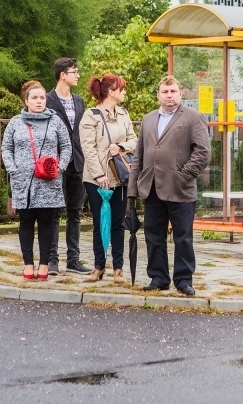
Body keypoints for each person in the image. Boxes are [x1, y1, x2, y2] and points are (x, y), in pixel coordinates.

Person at [127, 76, 210, 296]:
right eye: (165, 92)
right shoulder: (148, 119)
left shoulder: (193, 118)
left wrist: (184, 175)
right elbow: (139, 156)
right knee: (154, 236)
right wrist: (133, 189)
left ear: (180, 93)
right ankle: (158, 277)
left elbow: (203, 152)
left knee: (183, 237)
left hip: (180, 189)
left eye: (173, 91)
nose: (169, 95)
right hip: (152, 187)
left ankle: (183, 280)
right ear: (158, 95)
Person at [1, 81, 72, 280]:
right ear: (26, 101)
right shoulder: (16, 122)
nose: (39, 101)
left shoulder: (55, 121)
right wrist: (13, 169)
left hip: (49, 181)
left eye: (42, 98)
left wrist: (60, 168)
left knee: (46, 223)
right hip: (23, 181)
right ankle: (28, 264)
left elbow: (66, 146)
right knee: (25, 222)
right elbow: (6, 148)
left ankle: (43, 265)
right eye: (34, 98)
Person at [79, 74, 137, 283]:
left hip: (119, 176)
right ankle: (99, 266)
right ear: (111, 92)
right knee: (99, 222)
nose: (124, 93)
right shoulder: (91, 115)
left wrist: (121, 147)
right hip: (96, 179)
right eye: (121, 89)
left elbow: (134, 139)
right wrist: (99, 174)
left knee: (118, 223)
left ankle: (119, 268)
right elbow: (88, 147)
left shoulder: (123, 114)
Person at [44, 58, 92, 276]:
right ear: (62, 75)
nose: (78, 75)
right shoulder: (46, 100)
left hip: (78, 162)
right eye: (74, 72)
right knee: (54, 212)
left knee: (75, 212)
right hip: (55, 163)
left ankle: (73, 259)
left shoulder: (79, 101)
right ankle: (51, 260)